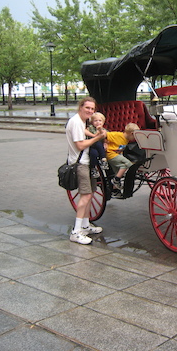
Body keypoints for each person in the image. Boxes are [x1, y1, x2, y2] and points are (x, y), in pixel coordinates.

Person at [66, 97, 107, 245]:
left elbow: (84, 133)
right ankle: (76, 232)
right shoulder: (76, 122)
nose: (90, 111)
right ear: (80, 107)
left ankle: (85, 224)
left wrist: (95, 135)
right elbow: (80, 146)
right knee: (85, 196)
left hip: (87, 163)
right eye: (87, 108)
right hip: (80, 164)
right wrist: (98, 139)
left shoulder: (81, 122)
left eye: (92, 109)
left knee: (90, 193)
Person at [106, 122, 140, 196]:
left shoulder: (127, 139)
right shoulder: (117, 135)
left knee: (117, 172)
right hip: (111, 154)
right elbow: (105, 135)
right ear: (131, 133)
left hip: (117, 155)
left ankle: (115, 190)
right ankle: (116, 180)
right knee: (128, 164)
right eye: (135, 136)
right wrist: (105, 143)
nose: (135, 138)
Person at [85, 112, 109, 177]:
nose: (98, 122)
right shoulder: (90, 128)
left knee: (94, 153)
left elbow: (106, 136)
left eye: (100, 120)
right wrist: (96, 133)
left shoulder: (104, 130)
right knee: (97, 144)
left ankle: (95, 166)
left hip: (98, 148)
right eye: (95, 121)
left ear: (103, 122)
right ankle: (102, 160)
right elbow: (88, 133)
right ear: (92, 122)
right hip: (91, 144)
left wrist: (106, 143)